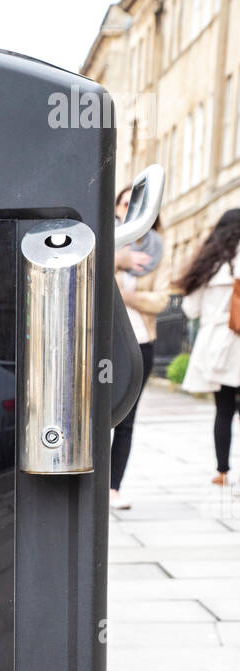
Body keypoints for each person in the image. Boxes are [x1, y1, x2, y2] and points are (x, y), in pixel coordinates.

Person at [110, 186, 167, 508]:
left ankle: (113, 488)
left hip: (140, 340)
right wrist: (119, 258)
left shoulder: (158, 250)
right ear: (116, 208)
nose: (131, 209)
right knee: (98, 415)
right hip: (107, 340)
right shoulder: (105, 243)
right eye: (126, 203)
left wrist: (130, 297)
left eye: (138, 205)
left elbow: (161, 300)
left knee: (127, 418)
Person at [177, 208, 240, 485]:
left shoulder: (210, 264)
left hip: (219, 347)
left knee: (223, 409)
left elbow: (191, 309)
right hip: (233, 342)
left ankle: (222, 471)